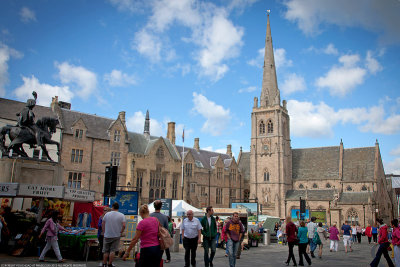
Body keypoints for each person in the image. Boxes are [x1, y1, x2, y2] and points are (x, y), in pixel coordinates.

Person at [102, 202, 126, 267]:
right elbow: (124, 225)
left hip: (107, 235)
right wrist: (121, 231)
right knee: (112, 251)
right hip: (116, 235)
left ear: (112, 207)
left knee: (106, 251)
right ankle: (110, 264)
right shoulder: (121, 215)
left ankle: (104, 263)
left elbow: (103, 223)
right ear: (118, 208)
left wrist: (104, 231)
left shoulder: (107, 214)